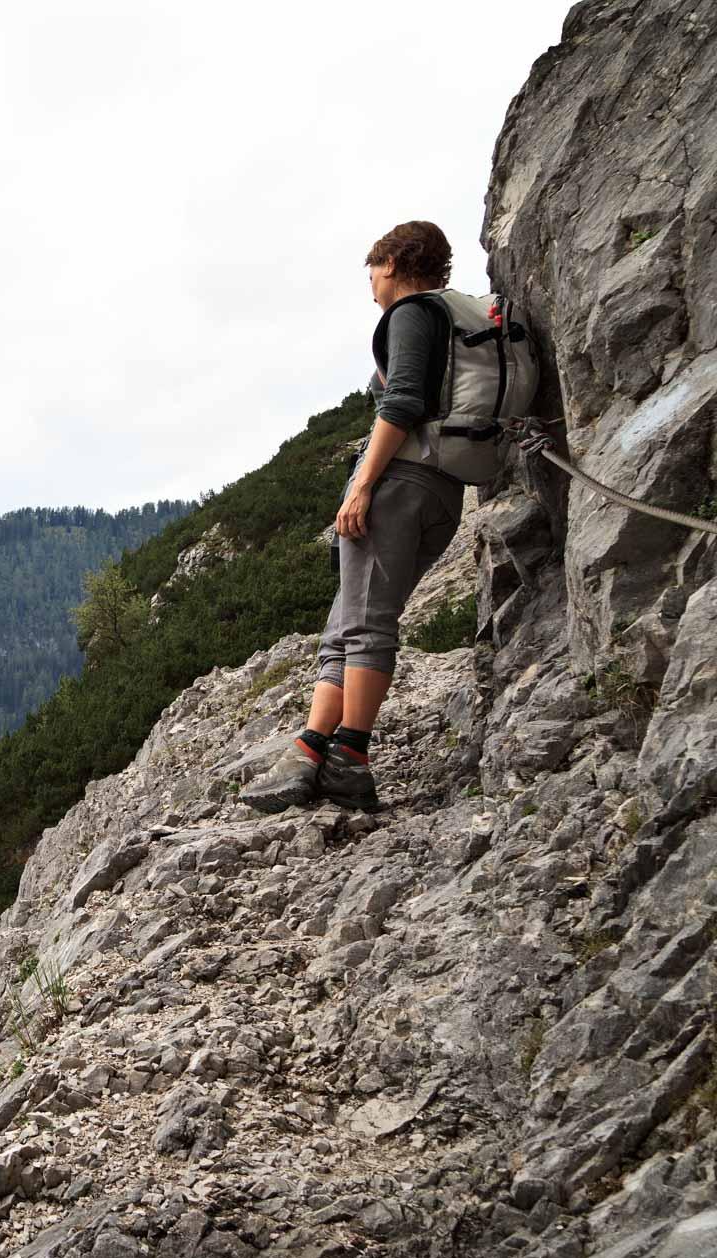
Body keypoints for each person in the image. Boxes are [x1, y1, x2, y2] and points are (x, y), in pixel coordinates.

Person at [240, 220, 467, 813]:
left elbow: (405, 400)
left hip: (402, 483)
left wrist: (364, 483)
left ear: (391, 262)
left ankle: (349, 758)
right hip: (442, 491)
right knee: (349, 621)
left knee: (364, 627)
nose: (370, 282)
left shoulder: (414, 314)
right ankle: (312, 751)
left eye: (372, 269)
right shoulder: (452, 322)